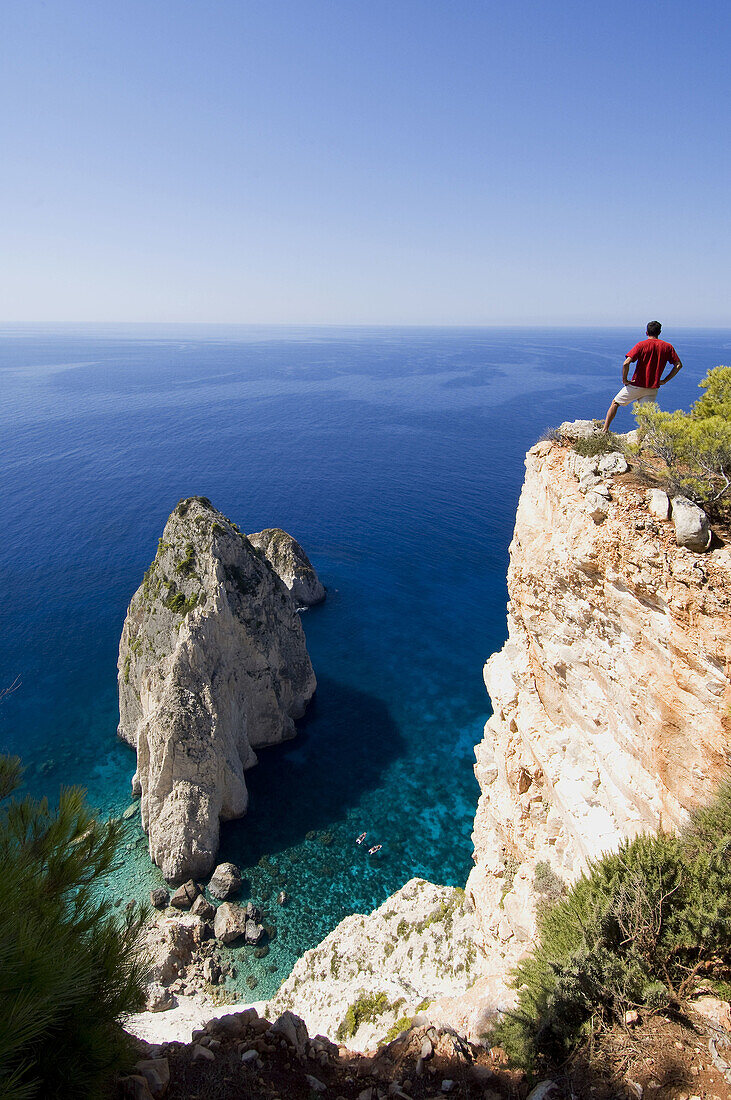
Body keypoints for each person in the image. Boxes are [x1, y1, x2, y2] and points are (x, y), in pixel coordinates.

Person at [602, 321, 683, 432]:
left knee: (615, 403)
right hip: (652, 388)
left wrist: (625, 380)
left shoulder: (641, 345)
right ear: (659, 332)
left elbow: (626, 363)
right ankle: (639, 444)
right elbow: (678, 365)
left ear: (646, 332)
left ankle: (605, 430)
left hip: (637, 385)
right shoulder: (667, 347)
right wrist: (665, 380)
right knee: (645, 418)